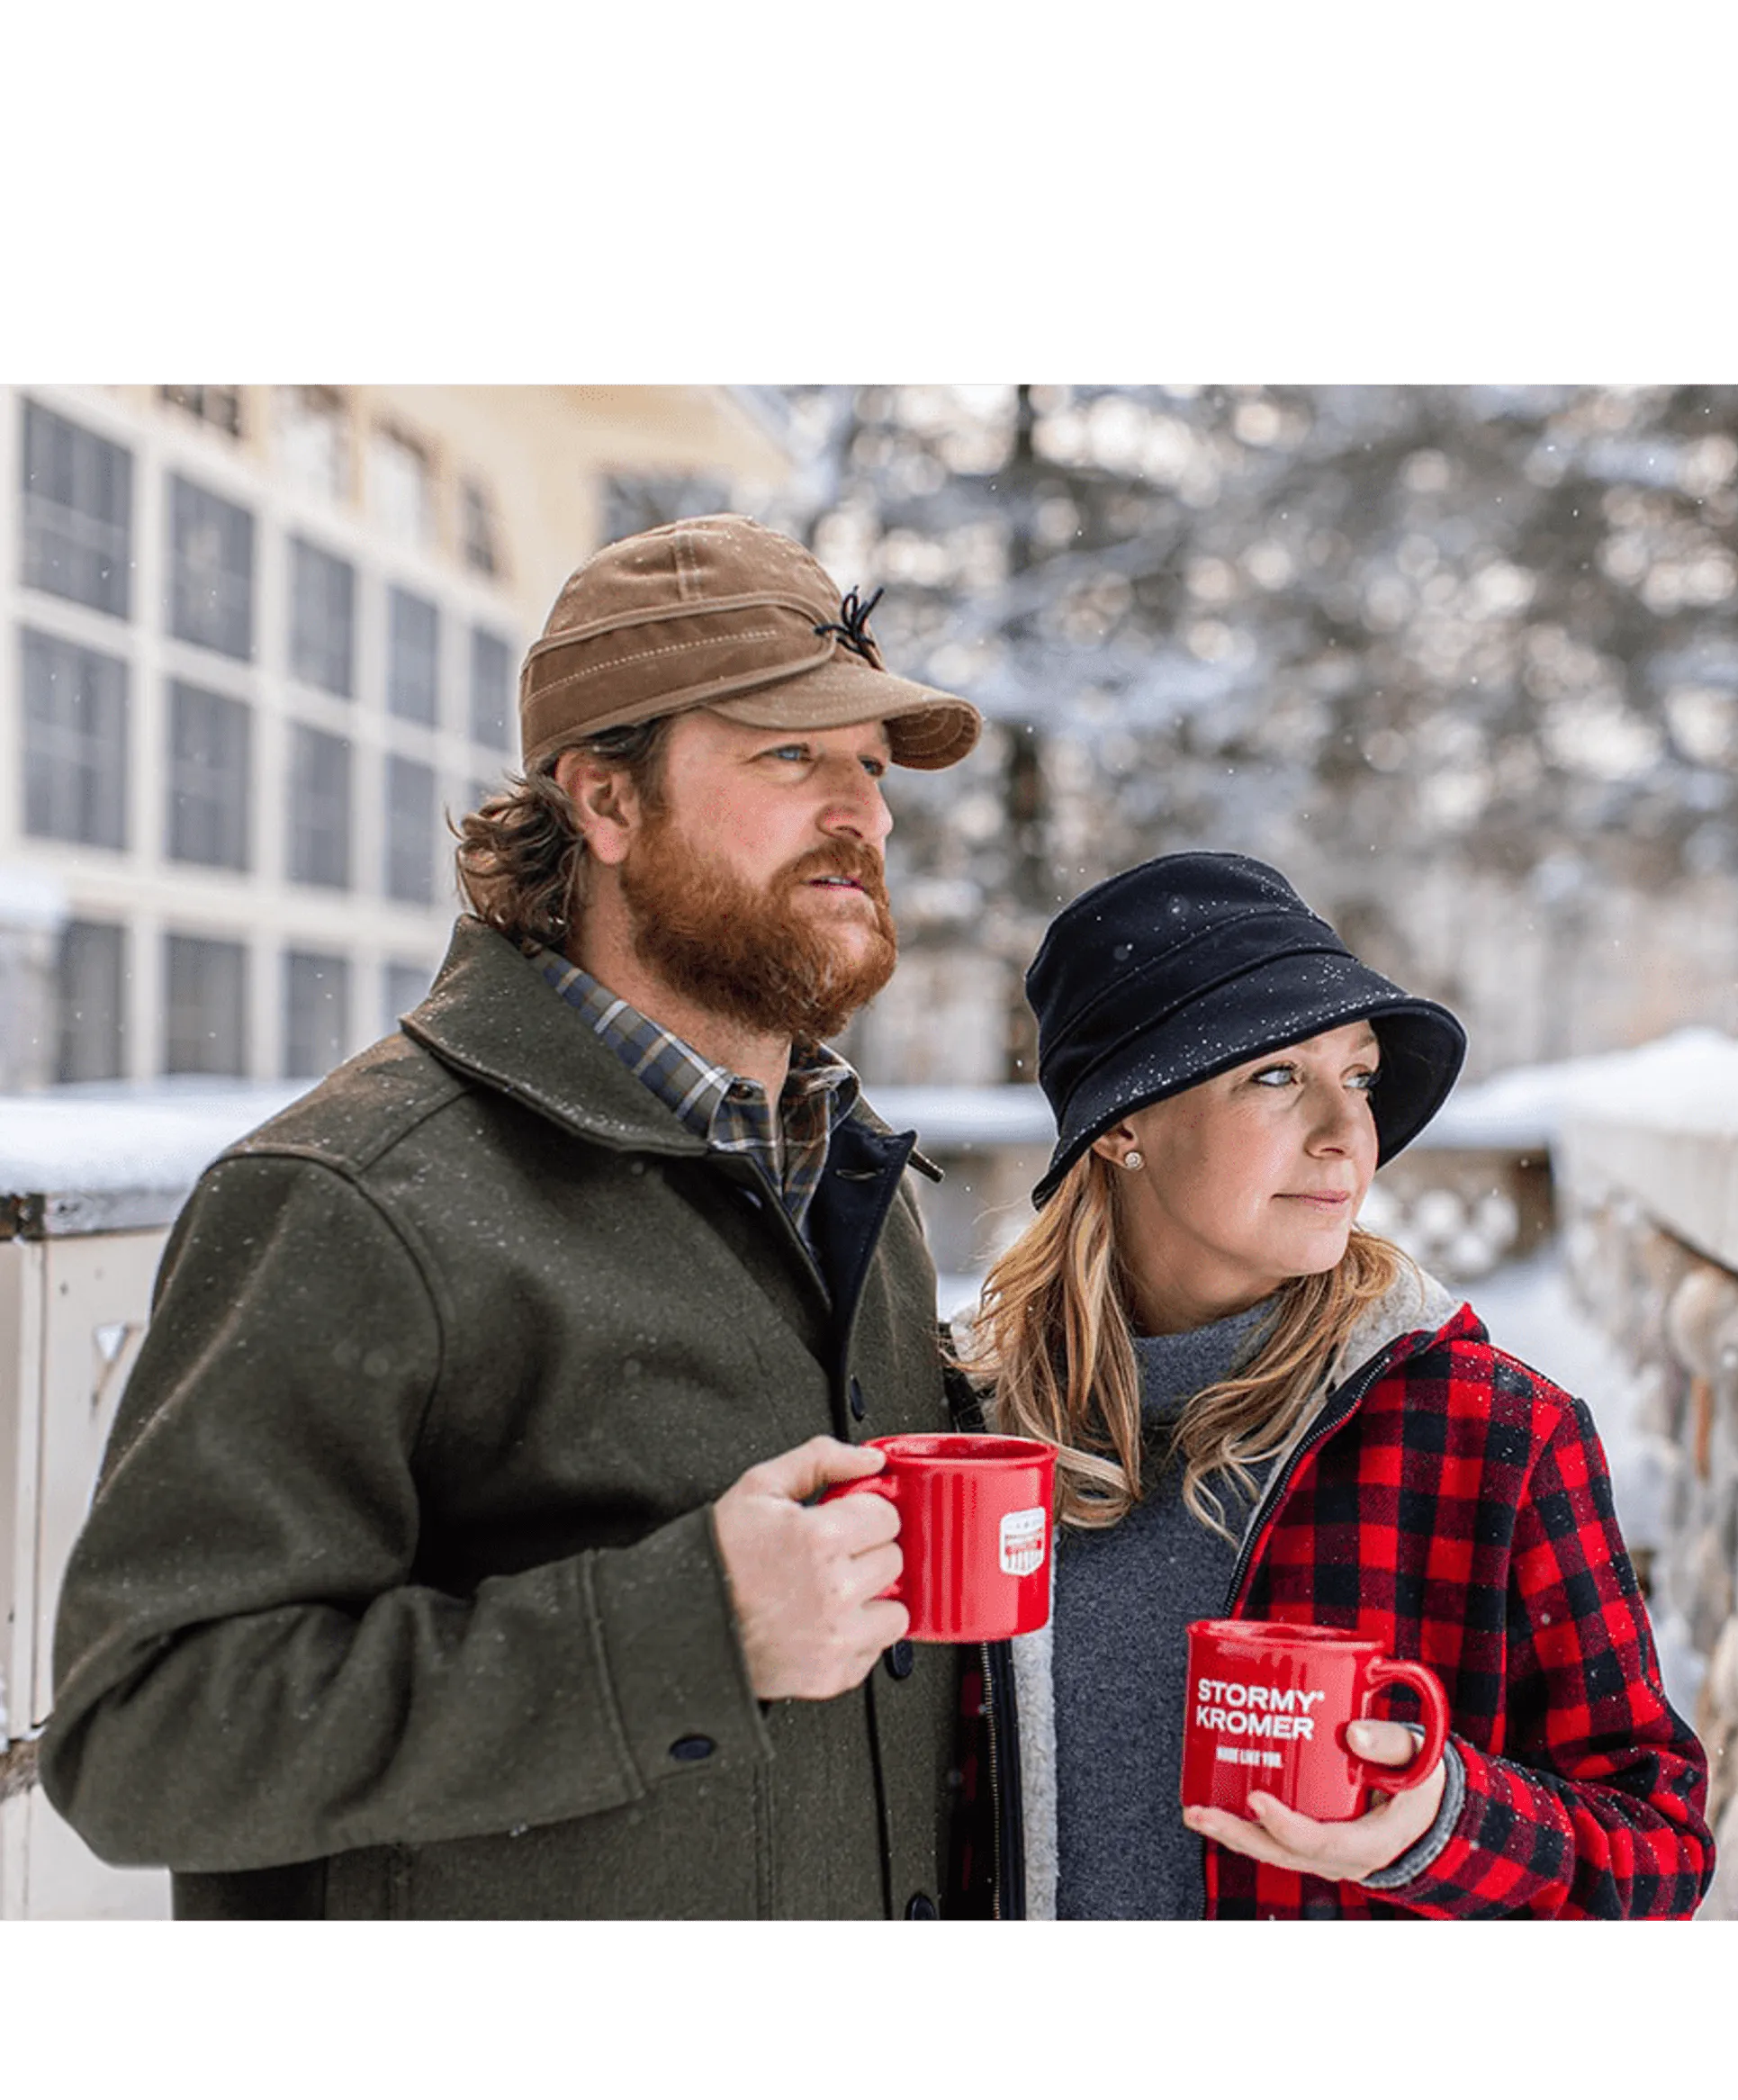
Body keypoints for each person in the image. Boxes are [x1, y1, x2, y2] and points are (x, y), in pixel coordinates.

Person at [40, 516, 1011, 1922]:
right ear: (605, 803)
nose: (858, 811)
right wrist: (692, 1631)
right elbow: (144, 1735)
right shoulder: (356, 1196)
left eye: (868, 765)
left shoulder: (846, 1180)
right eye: (788, 753)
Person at [956, 852, 1714, 1920]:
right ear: (1122, 1124)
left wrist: (1441, 1821)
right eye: (1274, 1075)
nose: (1344, 1132)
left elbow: (1659, 1848)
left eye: (1355, 1076)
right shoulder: (960, 1433)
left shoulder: (1491, 1434)